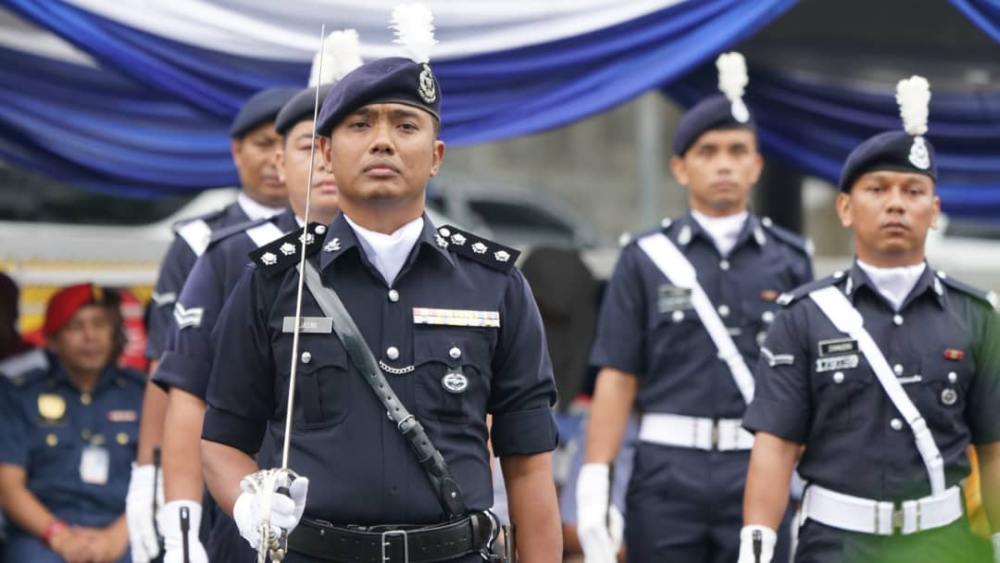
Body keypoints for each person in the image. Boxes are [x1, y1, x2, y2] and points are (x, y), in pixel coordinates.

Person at [200, 6, 562, 562]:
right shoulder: (275, 281)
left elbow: (530, 464)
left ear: (436, 157)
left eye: (406, 124)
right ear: (325, 151)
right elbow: (223, 441)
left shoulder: (496, 285)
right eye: (361, 124)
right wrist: (250, 504)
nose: (383, 142)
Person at [739, 75, 999, 563]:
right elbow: (775, 446)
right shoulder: (805, 317)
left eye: (913, 190)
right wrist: (756, 547)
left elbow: (994, 448)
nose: (896, 202)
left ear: (935, 209)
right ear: (844, 208)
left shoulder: (978, 316)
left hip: (943, 543)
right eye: (877, 188)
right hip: (836, 543)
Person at [578, 52, 812, 563]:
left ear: (756, 164)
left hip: (758, 470)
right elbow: (618, 375)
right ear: (681, 168)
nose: (724, 163)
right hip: (665, 475)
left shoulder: (790, 261)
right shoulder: (644, 259)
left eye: (737, 150)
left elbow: (807, 388)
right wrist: (597, 477)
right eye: (707, 151)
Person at [152, 31, 357, 563]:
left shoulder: (409, 259)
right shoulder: (229, 258)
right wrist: (180, 525)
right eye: (310, 146)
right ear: (281, 164)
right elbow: (187, 395)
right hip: (257, 522)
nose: (326, 161)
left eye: (339, 143)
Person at [127, 85, 297, 562]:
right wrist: (149, 473)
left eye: (290, 144)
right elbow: (170, 366)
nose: (275, 159)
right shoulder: (204, 242)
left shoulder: (334, 235)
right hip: (218, 446)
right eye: (263, 144)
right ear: (236, 151)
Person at [0, 283, 145, 562]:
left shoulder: (143, 394)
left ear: (114, 333)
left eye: (99, 324)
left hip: (125, 531)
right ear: (53, 339)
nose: (90, 336)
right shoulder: (18, 395)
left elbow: (161, 479)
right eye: (76, 326)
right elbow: (7, 486)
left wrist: (117, 537)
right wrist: (60, 537)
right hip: (42, 535)